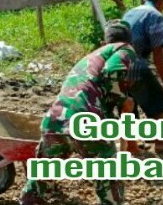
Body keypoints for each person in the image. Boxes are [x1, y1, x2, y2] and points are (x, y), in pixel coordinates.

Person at [19, 20, 136, 205]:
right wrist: (123, 101)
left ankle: (28, 200)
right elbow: (112, 73)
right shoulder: (125, 48)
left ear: (105, 41)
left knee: (42, 174)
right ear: (129, 39)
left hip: (54, 120)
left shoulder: (91, 58)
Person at [123, 0, 163, 153]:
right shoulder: (155, 16)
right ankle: (161, 142)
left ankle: (131, 146)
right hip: (135, 63)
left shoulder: (131, 11)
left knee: (129, 105)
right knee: (156, 101)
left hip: (117, 63)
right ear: (161, 1)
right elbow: (157, 53)